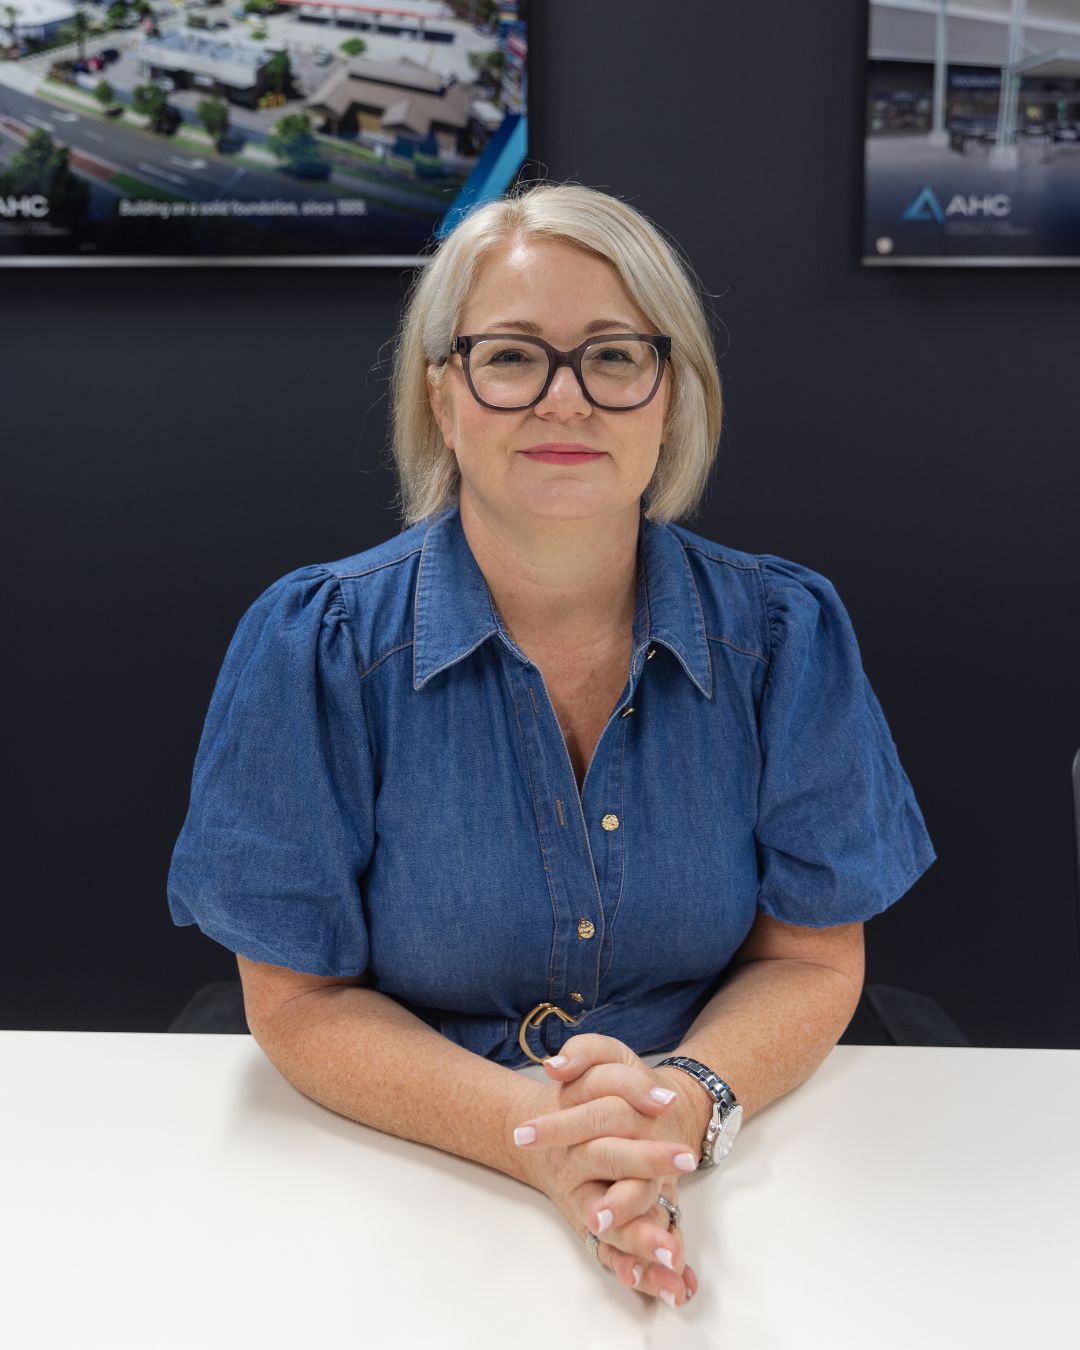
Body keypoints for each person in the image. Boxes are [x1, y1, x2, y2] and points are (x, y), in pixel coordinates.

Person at [166, 181, 936, 1310]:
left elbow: (812, 961)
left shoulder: (785, 633)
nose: (564, 399)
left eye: (614, 357)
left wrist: (677, 1108)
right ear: (443, 394)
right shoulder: (316, 642)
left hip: (732, 1150)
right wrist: (541, 1140)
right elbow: (299, 1002)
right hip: (400, 1167)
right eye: (513, 357)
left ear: (671, 397)